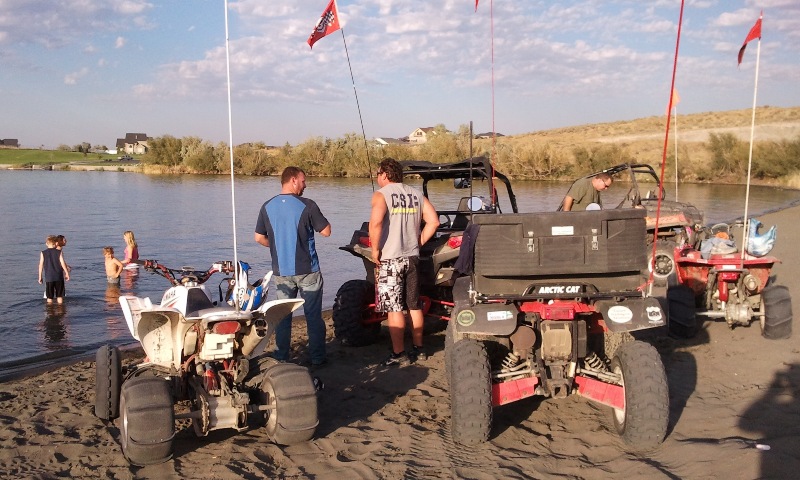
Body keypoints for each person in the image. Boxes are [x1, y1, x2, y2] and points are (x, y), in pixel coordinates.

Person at [254, 166, 331, 367]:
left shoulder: (266, 206)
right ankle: (317, 358)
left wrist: (278, 244)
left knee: (283, 316)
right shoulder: (307, 205)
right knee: (313, 316)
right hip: (308, 270)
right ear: (293, 180)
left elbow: (258, 237)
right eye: (303, 181)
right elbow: (326, 231)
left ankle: (281, 357)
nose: (305, 185)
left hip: (282, 271)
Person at [369, 158, 439, 367]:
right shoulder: (417, 194)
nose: (377, 177)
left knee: (394, 308)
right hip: (412, 257)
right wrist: (418, 242)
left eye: (378, 173)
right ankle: (419, 348)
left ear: (384, 174)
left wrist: (374, 250)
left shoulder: (381, 195)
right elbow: (434, 221)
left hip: (391, 259)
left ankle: (399, 353)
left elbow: (376, 223)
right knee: (413, 304)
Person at [38, 235, 70, 304]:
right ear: (56, 243)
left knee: (49, 297)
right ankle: (61, 311)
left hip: (49, 278)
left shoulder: (43, 253)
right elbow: (62, 264)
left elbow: (40, 265)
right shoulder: (59, 252)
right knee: (59, 296)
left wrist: (40, 277)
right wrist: (67, 273)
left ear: (46, 244)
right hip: (59, 277)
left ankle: (50, 311)